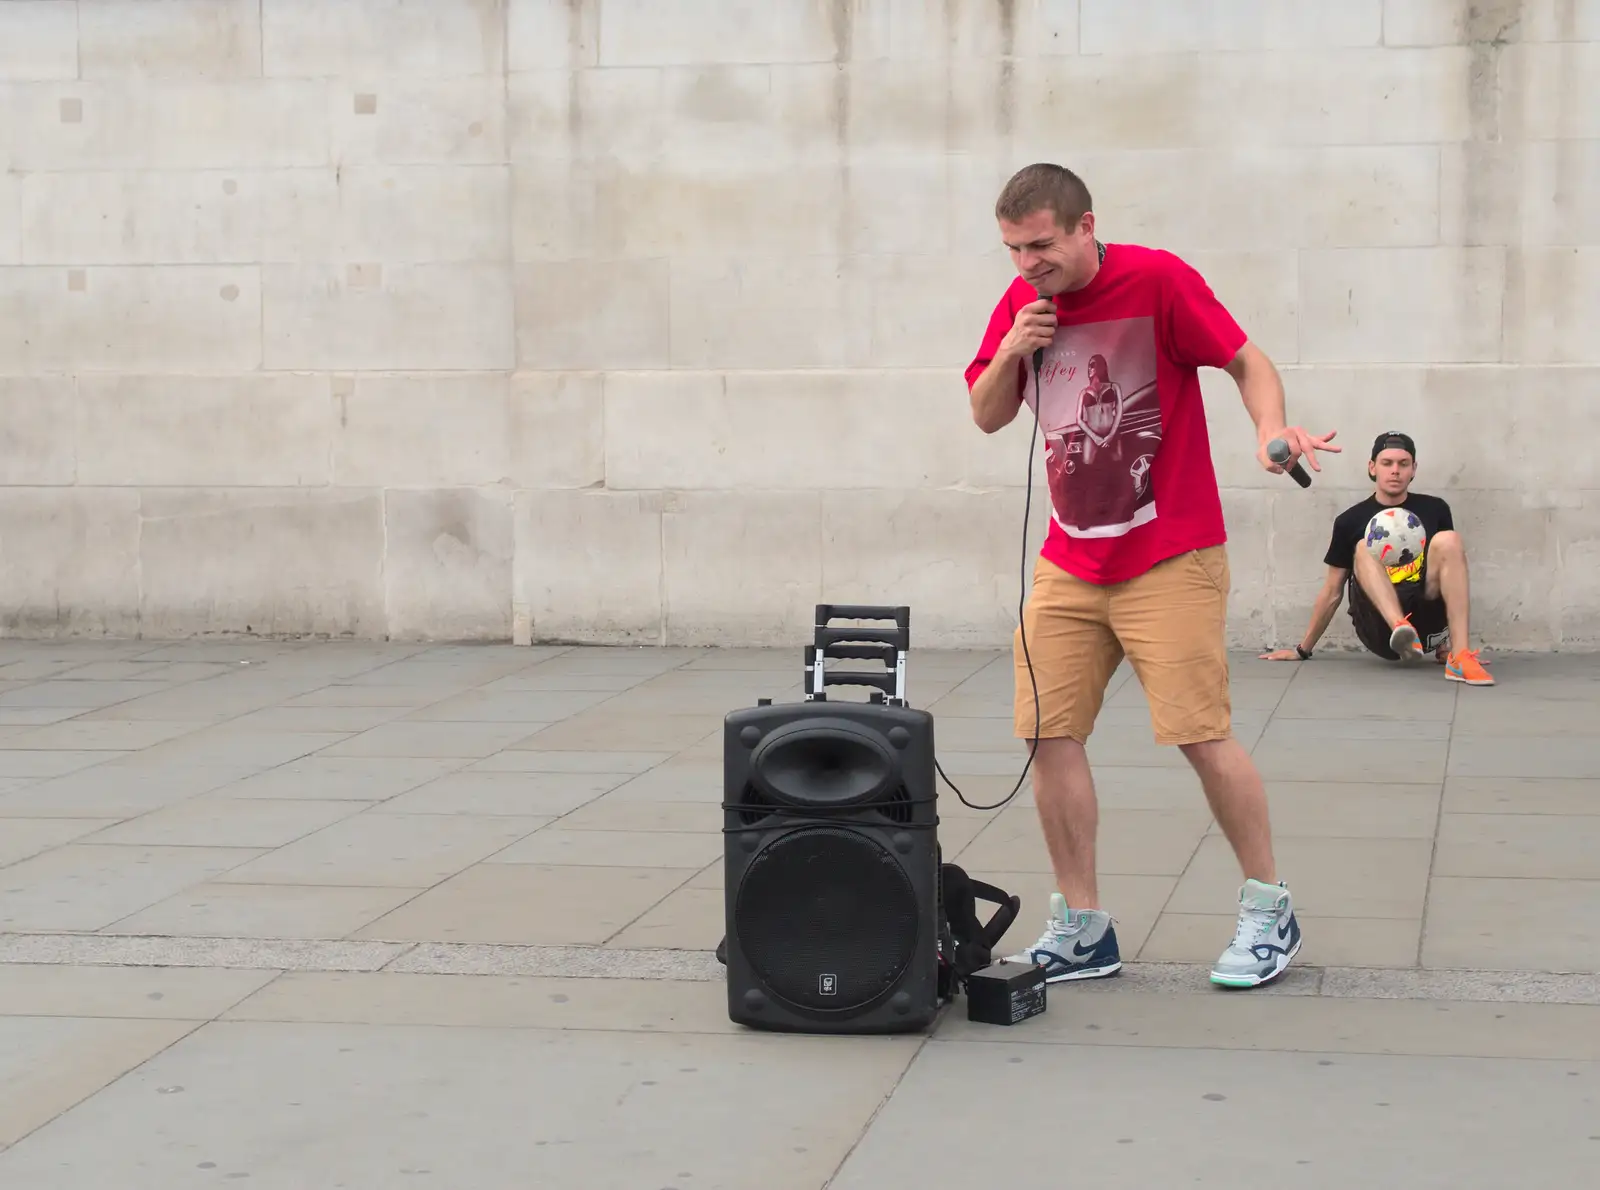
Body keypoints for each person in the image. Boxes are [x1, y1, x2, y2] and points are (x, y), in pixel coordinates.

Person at [964, 162, 1338, 989]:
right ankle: (1084, 927)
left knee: (1200, 735)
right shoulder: (1022, 307)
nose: (1028, 264)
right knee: (1045, 732)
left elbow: (1247, 361)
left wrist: (1272, 432)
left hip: (1170, 553)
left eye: (1042, 245)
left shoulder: (1157, 280)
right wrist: (1012, 352)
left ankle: (1270, 910)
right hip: (1069, 559)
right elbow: (988, 415)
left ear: (1086, 226)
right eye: (1013, 249)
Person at [1261, 431, 1494, 685]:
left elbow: (1449, 578)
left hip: (1425, 622)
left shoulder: (1435, 509)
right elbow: (1332, 591)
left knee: (1449, 540)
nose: (1395, 471)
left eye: (1403, 464)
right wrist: (1302, 649)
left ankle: (1460, 657)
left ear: (1414, 469)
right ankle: (1401, 629)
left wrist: (1444, 646)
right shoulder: (1350, 521)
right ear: (1372, 467)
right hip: (1379, 629)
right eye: (1387, 463)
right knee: (1363, 546)